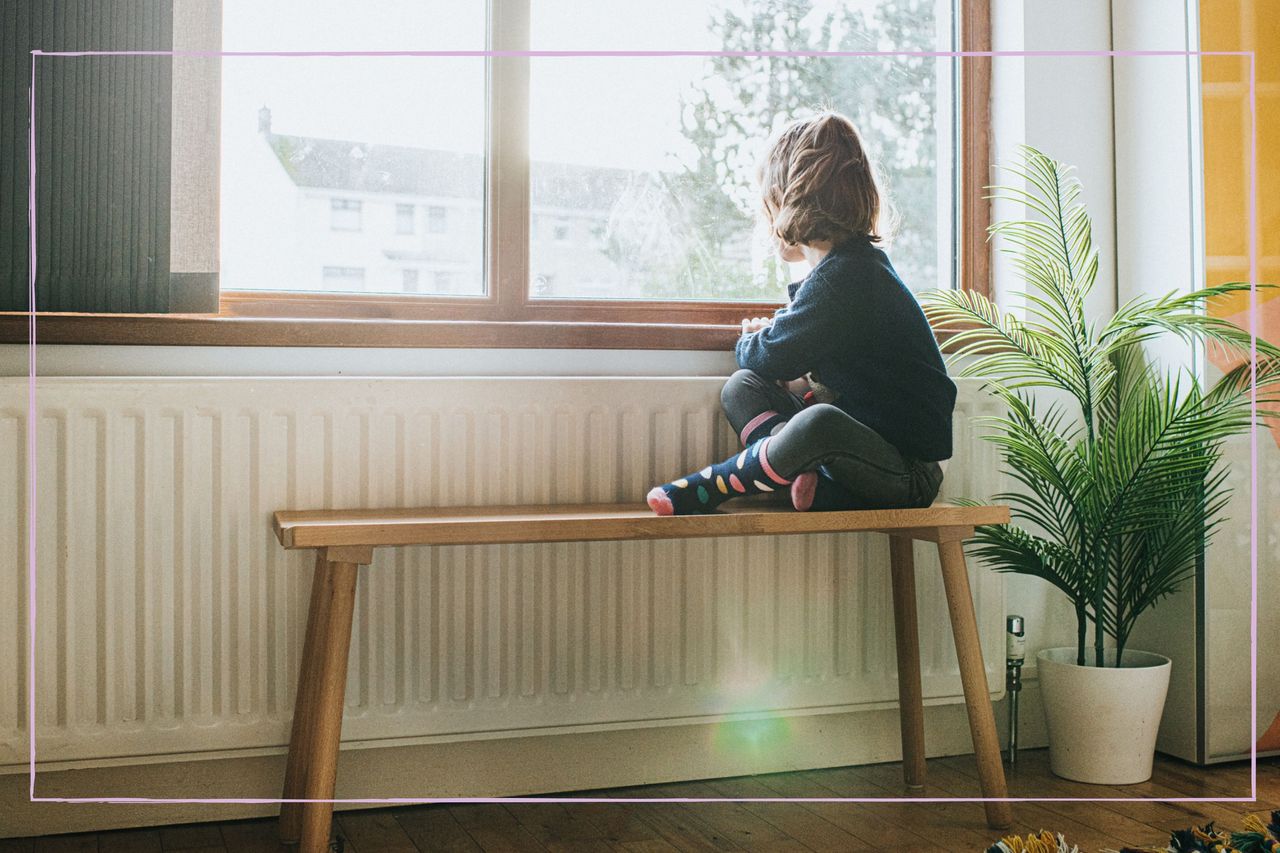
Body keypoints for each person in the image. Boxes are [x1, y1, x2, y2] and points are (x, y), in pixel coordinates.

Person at [646, 110, 956, 516]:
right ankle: (801, 476)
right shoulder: (842, 274)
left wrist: (754, 338)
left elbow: (772, 354)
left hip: (905, 473)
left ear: (790, 204)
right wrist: (778, 348)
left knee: (819, 423)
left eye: (767, 208)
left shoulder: (849, 276)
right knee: (742, 387)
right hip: (851, 461)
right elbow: (797, 353)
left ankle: (717, 484)